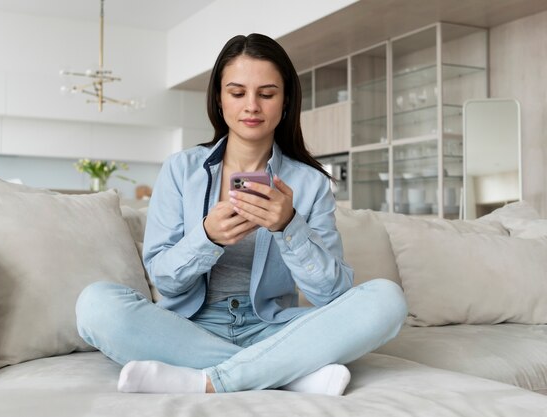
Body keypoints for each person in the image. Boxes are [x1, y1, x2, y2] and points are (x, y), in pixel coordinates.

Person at [76, 33, 407, 396]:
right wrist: (207, 238)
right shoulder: (181, 169)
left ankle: (212, 379)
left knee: (386, 299)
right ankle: (286, 373)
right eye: (237, 93)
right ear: (219, 100)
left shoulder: (310, 184)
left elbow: (332, 295)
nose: (252, 106)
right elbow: (166, 280)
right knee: (96, 303)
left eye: (267, 94)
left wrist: (288, 227)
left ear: (285, 103)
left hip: (275, 326)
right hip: (188, 327)